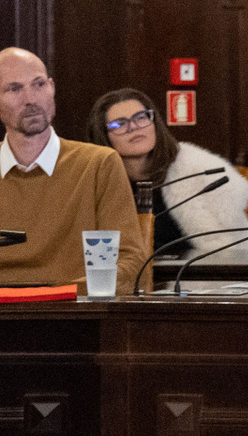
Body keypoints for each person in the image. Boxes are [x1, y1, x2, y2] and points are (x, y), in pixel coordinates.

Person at [0, 48, 145, 292]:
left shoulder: (98, 164)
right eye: (14, 89)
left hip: (73, 308)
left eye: (38, 84)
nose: (30, 99)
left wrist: (59, 295)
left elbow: (131, 262)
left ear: (52, 88)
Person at [88, 88, 248, 263]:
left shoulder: (199, 172)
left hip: (200, 275)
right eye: (119, 124)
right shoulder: (97, 184)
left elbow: (234, 248)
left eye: (141, 118)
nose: (134, 127)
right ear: (104, 136)